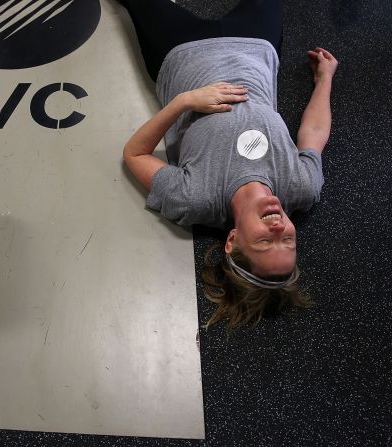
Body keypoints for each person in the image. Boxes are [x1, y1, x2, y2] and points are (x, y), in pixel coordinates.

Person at [120, 0, 338, 329]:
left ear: (232, 240)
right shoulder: (301, 187)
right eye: (289, 240)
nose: (279, 228)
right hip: (255, 46)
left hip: (180, 50)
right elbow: (315, 133)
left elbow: (134, 154)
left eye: (265, 241)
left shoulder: (195, 200)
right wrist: (325, 81)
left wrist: (185, 101)